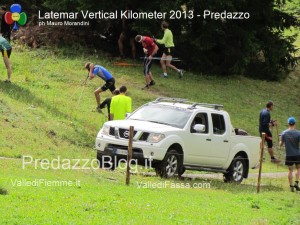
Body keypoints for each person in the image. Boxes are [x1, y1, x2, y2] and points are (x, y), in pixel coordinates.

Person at [280, 117, 300, 192]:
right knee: (298, 168)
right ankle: (296, 182)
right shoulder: (298, 133)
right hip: (297, 154)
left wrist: (280, 139)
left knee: (290, 170)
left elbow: (280, 144)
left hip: (289, 155)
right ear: (294, 123)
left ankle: (291, 186)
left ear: (288, 123)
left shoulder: (284, 133)